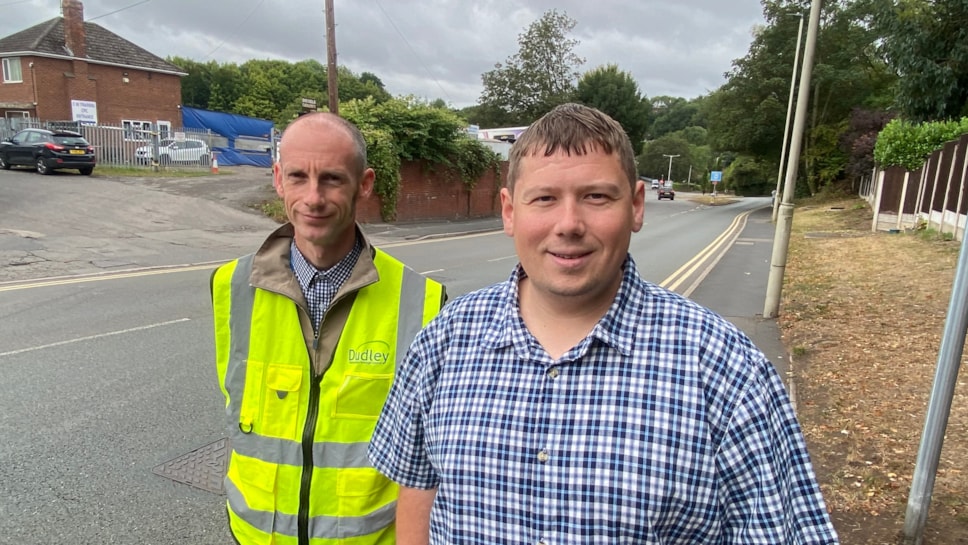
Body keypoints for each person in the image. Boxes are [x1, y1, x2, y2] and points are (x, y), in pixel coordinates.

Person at [368, 103, 838, 544]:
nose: (569, 224)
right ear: (510, 211)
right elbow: (418, 489)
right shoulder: (444, 340)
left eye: (595, 197)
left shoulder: (726, 368)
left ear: (635, 206)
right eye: (544, 198)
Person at [211, 112, 446, 545]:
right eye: (298, 177)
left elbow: (431, 460)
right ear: (278, 179)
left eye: (333, 179)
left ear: (365, 184)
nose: (313, 198)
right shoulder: (230, 286)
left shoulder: (424, 302)